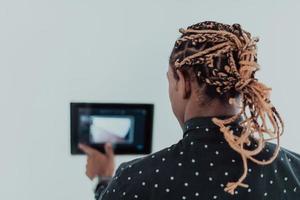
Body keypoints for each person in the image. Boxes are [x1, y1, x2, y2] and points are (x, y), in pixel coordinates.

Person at [79, 21, 300, 199]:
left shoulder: (138, 179)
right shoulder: (295, 169)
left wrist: (103, 179)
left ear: (183, 82)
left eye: (170, 80)